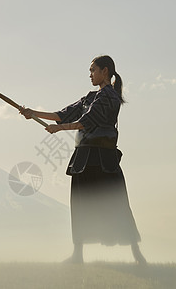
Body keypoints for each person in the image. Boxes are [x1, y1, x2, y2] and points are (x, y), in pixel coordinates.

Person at [19, 55, 146, 265]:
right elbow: (63, 114)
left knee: (117, 204)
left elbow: (86, 122)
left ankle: (136, 254)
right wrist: (32, 113)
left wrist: (58, 129)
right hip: (83, 157)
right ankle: (78, 255)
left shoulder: (110, 97)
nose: (90, 75)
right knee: (80, 204)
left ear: (105, 71)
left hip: (103, 158)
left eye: (93, 70)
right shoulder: (89, 97)